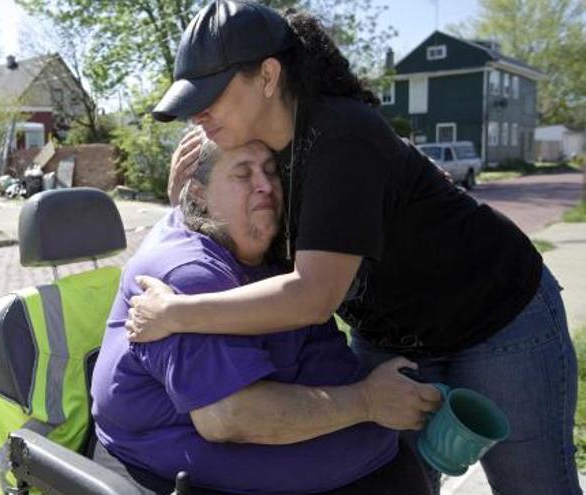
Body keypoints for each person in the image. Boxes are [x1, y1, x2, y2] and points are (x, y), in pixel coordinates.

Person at [125, 2, 580, 494]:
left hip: (498, 317)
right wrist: (192, 199)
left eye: (210, 95)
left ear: (268, 76)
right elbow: (240, 257)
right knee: (390, 481)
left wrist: (177, 313)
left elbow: (312, 296)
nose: (198, 114)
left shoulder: (342, 136)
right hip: (392, 333)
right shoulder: (260, 154)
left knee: (533, 486)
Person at [91, 139, 433, 495]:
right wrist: (369, 401)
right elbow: (230, 417)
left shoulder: (273, 254)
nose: (266, 185)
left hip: (369, 464)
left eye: (271, 171)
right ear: (199, 195)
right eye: (243, 173)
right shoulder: (187, 273)